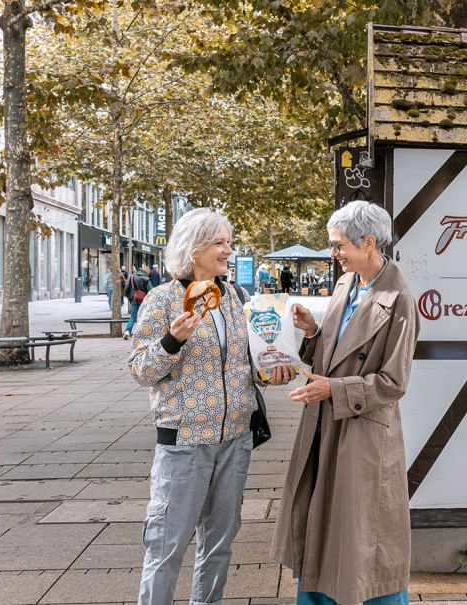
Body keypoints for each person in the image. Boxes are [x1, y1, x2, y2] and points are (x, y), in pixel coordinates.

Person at [129, 208, 294, 605]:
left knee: (219, 546)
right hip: (184, 443)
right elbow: (140, 369)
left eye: (228, 242)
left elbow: (245, 366)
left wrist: (271, 372)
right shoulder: (163, 299)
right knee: (166, 548)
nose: (228, 250)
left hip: (235, 441)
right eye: (220, 242)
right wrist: (172, 340)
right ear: (194, 247)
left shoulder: (236, 298)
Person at [274, 201, 420, 605]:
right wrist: (312, 332)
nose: (333, 253)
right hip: (325, 424)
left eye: (338, 246)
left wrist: (334, 390)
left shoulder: (401, 298)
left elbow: (393, 382)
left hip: (362, 433)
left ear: (368, 242)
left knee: (362, 538)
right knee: (321, 526)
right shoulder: (346, 284)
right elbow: (338, 349)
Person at [125, 266, 150, 340]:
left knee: (133, 316)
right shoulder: (146, 279)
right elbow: (151, 290)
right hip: (143, 300)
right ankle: (140, 333)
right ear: (147, 272)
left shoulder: (132, 277)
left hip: (134, 299)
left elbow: (126, 288)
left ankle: (127, 331)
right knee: (143, 316)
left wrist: (130, 298)